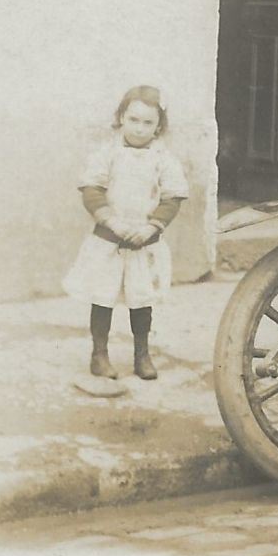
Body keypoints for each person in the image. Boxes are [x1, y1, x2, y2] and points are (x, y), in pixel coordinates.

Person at [62, 85, 189, 397]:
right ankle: (99, 354)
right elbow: (92, 189)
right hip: (109, 238)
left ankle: (141, 354)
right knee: (102, 297)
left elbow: (172, 197)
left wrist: (152, 227)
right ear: (121, 117)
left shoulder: (163, 159)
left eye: (148, 123)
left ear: (159, 126)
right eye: (133, 119)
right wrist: (112, 221)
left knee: (140, 299)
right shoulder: (107, 154)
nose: (140, 128)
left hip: (142, 241)